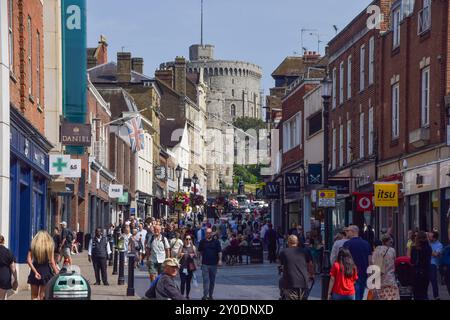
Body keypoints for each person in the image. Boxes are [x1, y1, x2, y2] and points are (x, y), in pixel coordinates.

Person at [278, 235, 314, 300]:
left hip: (290, 283)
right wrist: (311, 274)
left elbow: (282, 267)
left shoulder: (283, 252)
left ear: (288, 242)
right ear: (297, 242)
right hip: (303, 282)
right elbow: (310, 265)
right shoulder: (305, 251)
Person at [27, 231, 60, 300]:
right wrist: (57, 272)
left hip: (35, 271)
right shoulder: (49, 246)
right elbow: (52, 262)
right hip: (46, 271)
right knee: (43, 296)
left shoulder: (33, 246)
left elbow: (28, 260)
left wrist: (35, 272)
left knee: (34, 296)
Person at [342, 225, 372, 301]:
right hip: (364, 272)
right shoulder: (366, 243)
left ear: (353, 232)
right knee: (361, 292)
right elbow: (370, 260)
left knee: (354, 293)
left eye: (348, 231)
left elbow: (344, 260)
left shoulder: (347, 244)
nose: (346, 233)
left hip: (351, 273)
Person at [372, 234, 399, 300]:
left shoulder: (377, 250)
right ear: (387, 242)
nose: (391, 244)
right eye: (390, 242)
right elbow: (394, 262)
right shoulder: (392, 250)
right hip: (390, 279)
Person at [198, 228, 222, 300]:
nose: (208, 234)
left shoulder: (216, 242)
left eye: (209, 233)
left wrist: (220, 260)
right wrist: (199, 260)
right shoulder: (202, 242)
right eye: (207, 233)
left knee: (212, 281)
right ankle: (205, 295)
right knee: (205, 281)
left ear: (211, 233)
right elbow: (199, 252)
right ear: (205, 234)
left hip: (214, 264)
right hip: (205, 264)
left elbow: (219, 251)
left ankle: (210, 295)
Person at [410, 231, 432, 300]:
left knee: (416, 294)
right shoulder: (428, 248)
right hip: (426, 273)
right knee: (424, 293)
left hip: (416, 273)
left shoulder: (414, 248)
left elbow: (412, 261)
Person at [0, 235, 18, 300]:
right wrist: (15, 280)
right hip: (4, 277)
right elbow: (13, 268)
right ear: (3, 241)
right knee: (2, 297)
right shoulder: (8, 252)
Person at [429, 231, 443, 300]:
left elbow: (436, 254)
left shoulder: (439, 245)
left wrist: (428, 250)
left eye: (430, 237)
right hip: (426, 263)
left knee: (433, 280)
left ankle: (436, 296)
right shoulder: (428, 244)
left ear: (434, 238)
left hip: (433, 264)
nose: (429, 238)